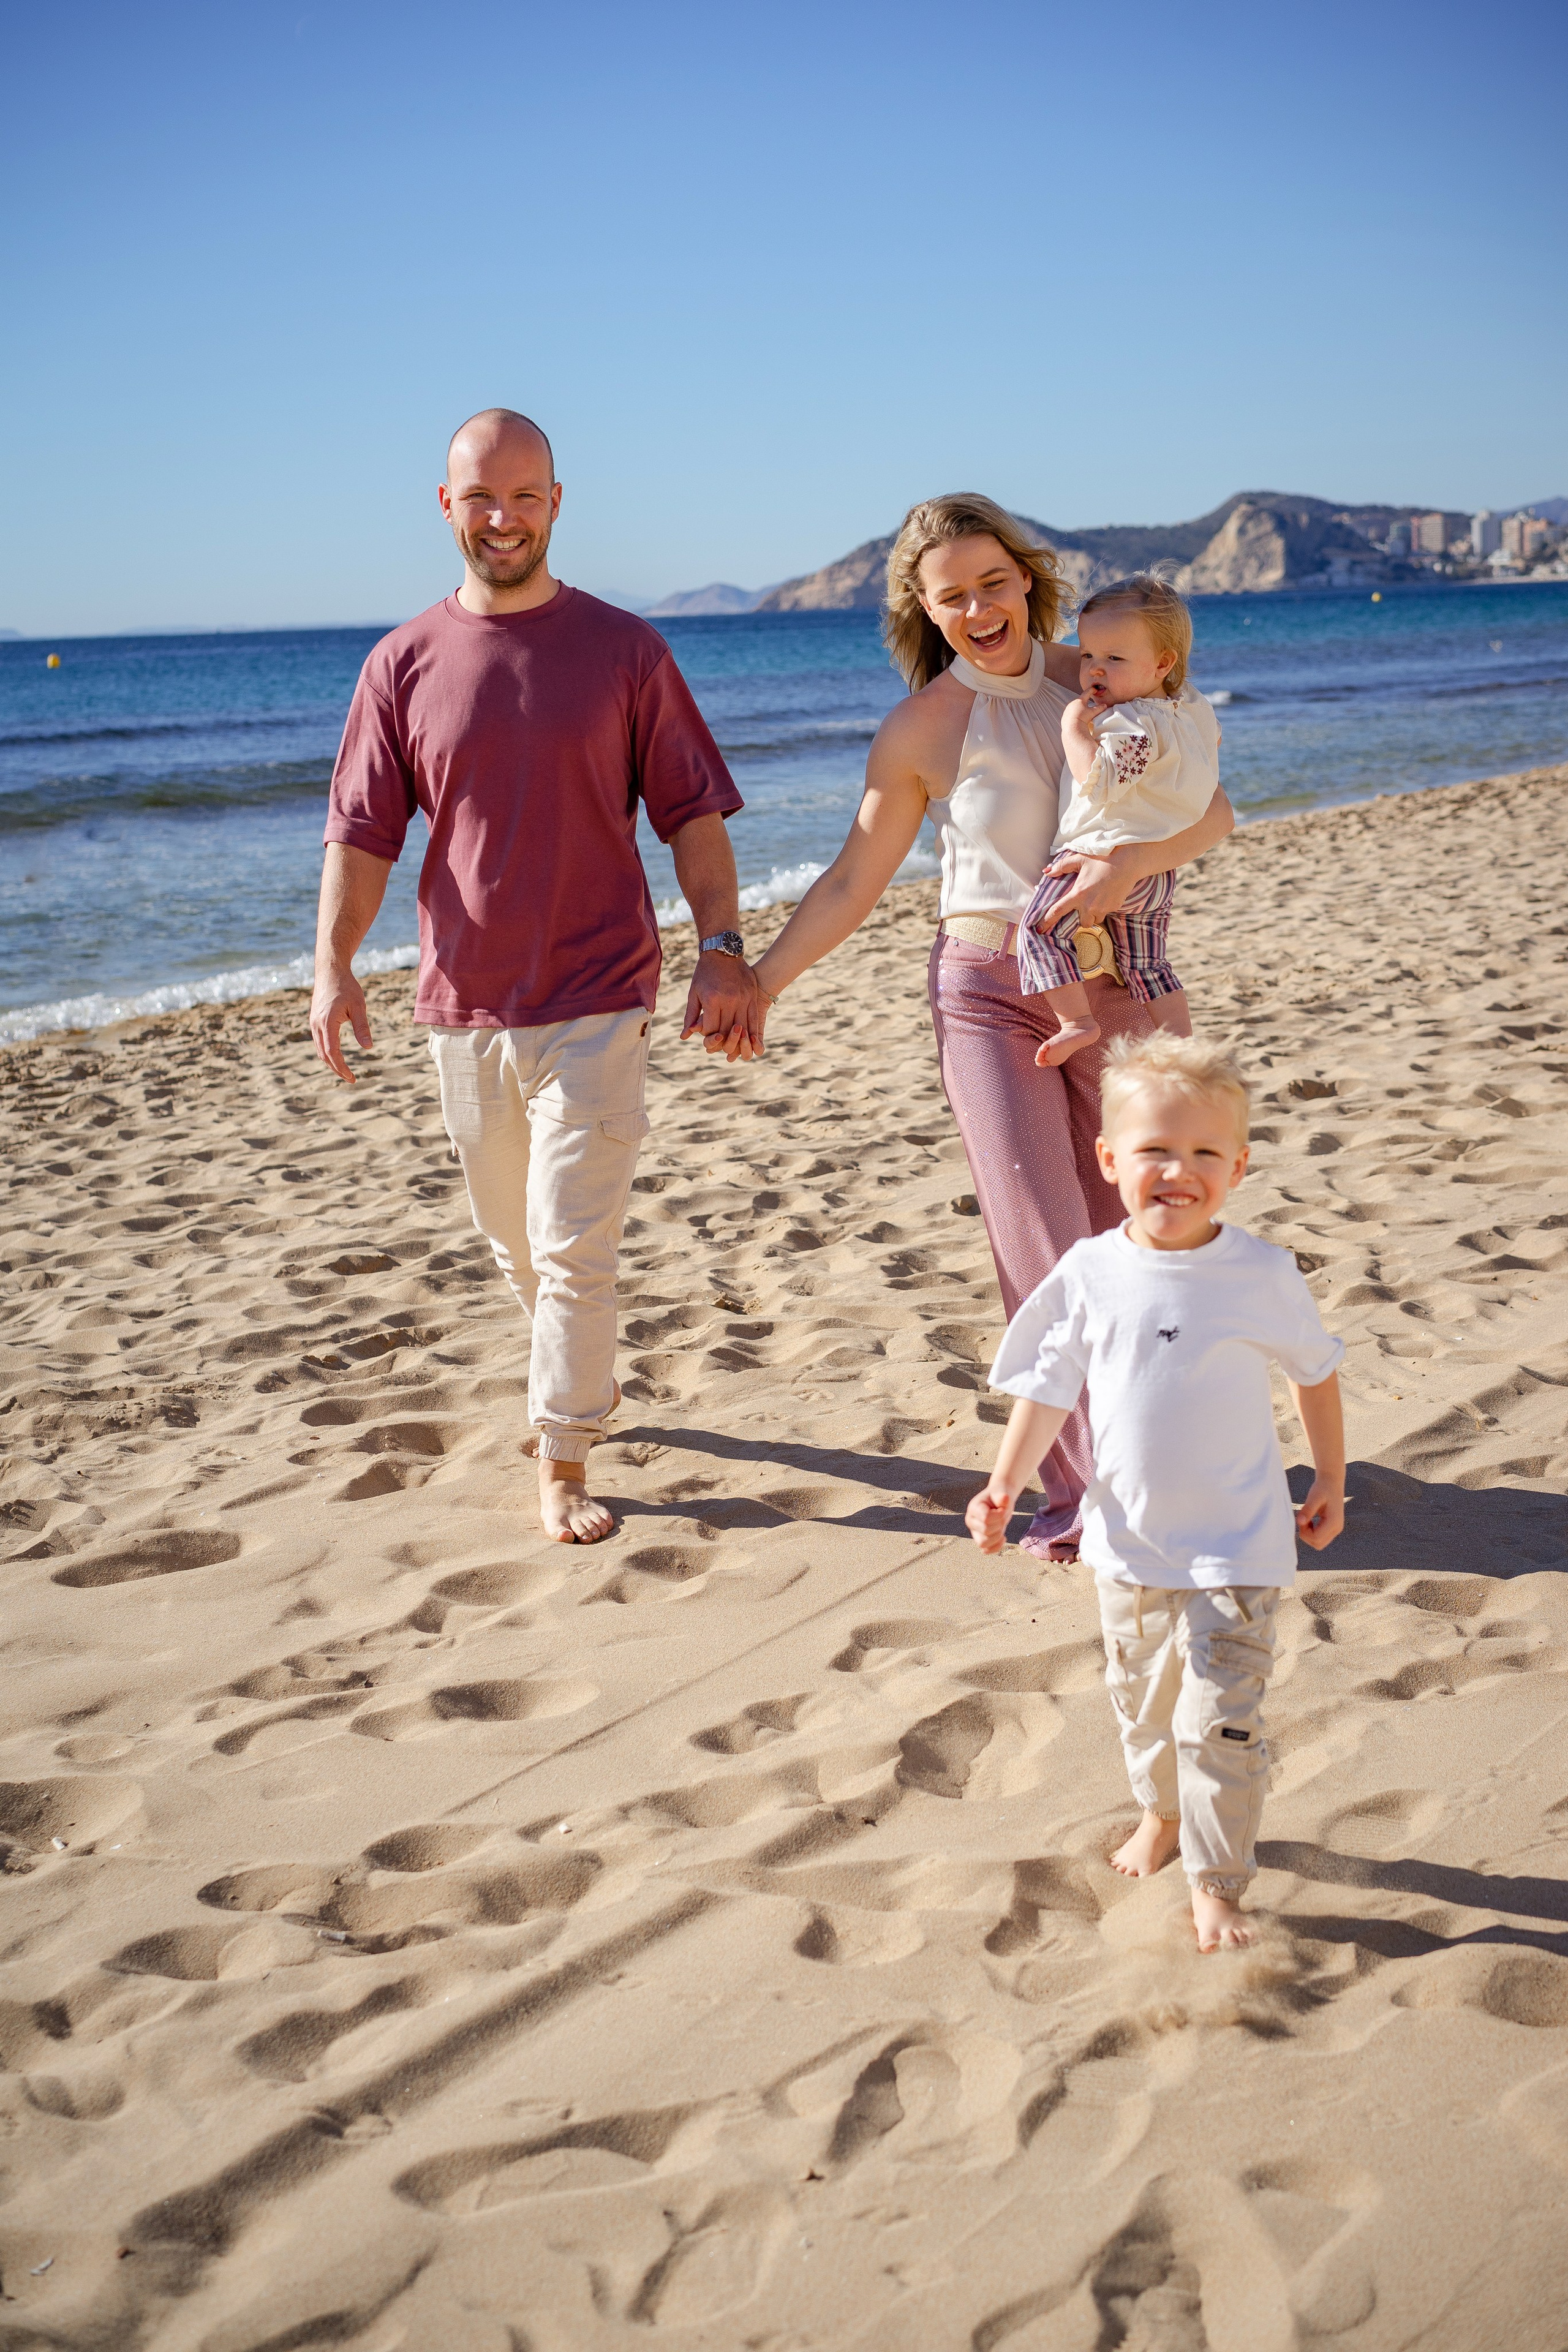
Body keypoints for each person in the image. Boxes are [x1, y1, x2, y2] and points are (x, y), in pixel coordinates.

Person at [750, 493, 1234, 1558]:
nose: (978, 609)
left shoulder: (1100, 675)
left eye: (993, 583)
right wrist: (761, 980)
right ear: (924, 611)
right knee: (1044, 1245)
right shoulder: (922, 727)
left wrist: (1129, 864)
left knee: (1147, 1228)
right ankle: (1085, 1492)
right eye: (951, 596)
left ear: (1027, 580)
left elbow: (1214, 808)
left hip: (1118, 985)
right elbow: (850, 880)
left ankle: (1164, 1460)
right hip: (986, 994)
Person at [310, 407, 763, 1544]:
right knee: (513, 1241)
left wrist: (721, 946)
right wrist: (332, 967)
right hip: (462, 1007)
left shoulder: (625, 650)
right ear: (447, 506)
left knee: (571, 1246)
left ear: (557, 503)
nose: (501, 517)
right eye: (480, 496)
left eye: (523, 495)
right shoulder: (400, 664)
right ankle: (584, 1386)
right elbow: (361, 836)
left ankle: (562, 1458)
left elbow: (692, 815)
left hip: (601, 995)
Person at [965, 1033, 1346, 1951]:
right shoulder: (1092, 1271)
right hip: (1129, 1546)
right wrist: (1005, 1482)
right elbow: (1050, 1386)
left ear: (1239, 1167)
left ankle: (1218, 1881)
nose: (1180, 1170)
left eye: (1206, 1153)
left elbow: (1315, 1374)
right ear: (1109, 1159)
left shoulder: (1260, 1273)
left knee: (1220, 1722)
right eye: (1155, 1151)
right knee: (1141, 1707)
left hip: (1239, 1544)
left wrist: (1331, 1475)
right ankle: (1161, 1816)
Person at [1016, 575, 1221, 1065]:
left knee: (1040, 932)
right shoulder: (1192, 708)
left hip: (1100, 854)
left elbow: (1099, 780)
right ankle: (1180, 1043)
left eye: (1114, 658)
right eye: (1087, 655)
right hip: (1158, 869)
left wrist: (1074, 726)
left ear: (1163, 663)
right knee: (1149, 965)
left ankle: (1076, 1022)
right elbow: (1210, 750)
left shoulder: (1129, 723)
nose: (1094, 671)